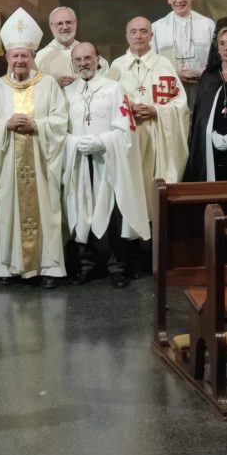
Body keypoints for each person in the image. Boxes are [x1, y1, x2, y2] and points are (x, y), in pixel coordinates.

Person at [0, 8, 69, 288]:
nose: (20, 60)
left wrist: (37, 125)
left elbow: (60, 120)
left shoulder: (48, 86)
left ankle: (49, 268)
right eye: (15, 55)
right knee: (7, 210)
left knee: (47, 209)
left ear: (33, 57)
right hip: (8, 162)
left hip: (41, 162)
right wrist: (4, 125)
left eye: (25, 55)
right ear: (7, 58)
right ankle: (9, 267)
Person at [62, 42, 149, 289]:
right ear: (73, 63)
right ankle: (86, 265)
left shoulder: (114, 89)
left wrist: (101, 142)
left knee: (114, 215)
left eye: (88, 58)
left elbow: (126, 129)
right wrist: (73, 143)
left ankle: (117, 267)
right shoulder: (68, 93)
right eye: (78, 60)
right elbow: (61, 130)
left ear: (98, 59)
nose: (83, 63)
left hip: (108, 160)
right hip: (79, 161)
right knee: (81, 212)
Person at [107, 16, 190, 193]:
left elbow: (181, 105)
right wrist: (127, 110)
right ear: (127, 36)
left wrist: (157, 111)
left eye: (143, 31)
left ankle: (157, 217)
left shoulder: (163, 64)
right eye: (133, 32)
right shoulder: (116, 67)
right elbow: (106, 104)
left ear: (151, 36)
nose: (138, 36)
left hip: (157, 136)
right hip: (129, 138)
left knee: (154, 189)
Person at [183, 17, 227, 182]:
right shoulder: (210, 76)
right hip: (210, 144)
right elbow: (201, 115)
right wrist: (208, 134)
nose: (226, 47)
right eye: (221, 43)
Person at [151, 0, 217, 105]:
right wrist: (175, 74)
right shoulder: (156, 28)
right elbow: (152, 63)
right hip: (170, 94)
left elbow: (216, 60)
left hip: (203, 90)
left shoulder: (208, 25)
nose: (179, 0)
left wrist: (201, 73)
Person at [34, 6, 108, 87]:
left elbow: (106, 84)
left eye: (68, 22)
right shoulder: (40, 58)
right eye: (60, 23)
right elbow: (36, 90)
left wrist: (85, 83)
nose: (65, 27)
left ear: (75, 23)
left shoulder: (90, 54)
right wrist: (55, 86)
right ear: (51, 26)